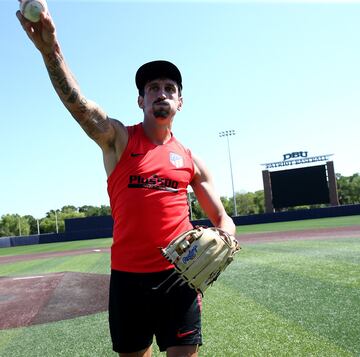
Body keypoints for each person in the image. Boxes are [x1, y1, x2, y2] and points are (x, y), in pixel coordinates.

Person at [17, 6, 236, 357]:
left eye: (169, 88)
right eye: (153, 88)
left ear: (181, 101)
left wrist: (226, 235)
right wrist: (51, 51)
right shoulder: (118, 139)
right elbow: (81, 107)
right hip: (128, 280)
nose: (161, 93)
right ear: (141, 99)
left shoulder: (192, 160)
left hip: (178, 279)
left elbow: (222, 217)